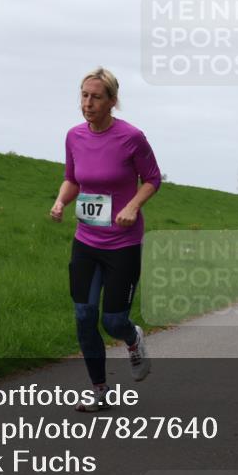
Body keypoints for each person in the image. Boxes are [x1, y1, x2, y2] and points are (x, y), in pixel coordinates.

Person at [50, 67, 161, 411]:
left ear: (113, 101)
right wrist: (60, 201)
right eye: (84, 95)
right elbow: (73, 178)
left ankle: (133, 337)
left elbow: (152, 179)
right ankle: (99, 391)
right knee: (83, 315)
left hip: (122, 244)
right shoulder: (74, 136)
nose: (88, 103)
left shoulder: (131, 137)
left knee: (112, 320)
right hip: (86, 240)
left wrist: (132, 206)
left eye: (96, 97)